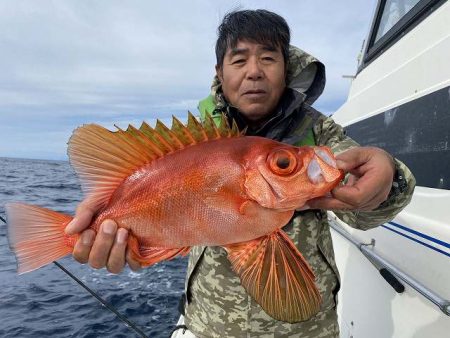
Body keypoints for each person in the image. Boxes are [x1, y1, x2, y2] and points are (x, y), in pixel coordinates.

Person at [64, 9, 416, 338]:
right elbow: (129, 184)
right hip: (209, 325)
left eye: (268, 57)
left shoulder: (320, 136)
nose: (254, 71)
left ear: (286, 68)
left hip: (308, 330)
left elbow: (365, 207)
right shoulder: (188, 142)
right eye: (239, 59)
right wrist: (109, 221)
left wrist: (390, 179)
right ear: (220, 72)